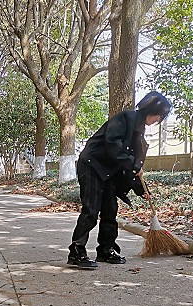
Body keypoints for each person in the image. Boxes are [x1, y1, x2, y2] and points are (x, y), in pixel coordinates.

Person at [68, 91, 172, 269]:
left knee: (110, 210)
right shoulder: (126, 118)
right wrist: (133, 164)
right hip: (92, 165)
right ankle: (77, 250)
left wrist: (141, 190)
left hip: (108, 171)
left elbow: (129, 166)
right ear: (151, 110)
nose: (158, 120)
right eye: (159, 115)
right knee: (91, 209)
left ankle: (106, 249)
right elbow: (113, 144)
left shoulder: (139, 132)